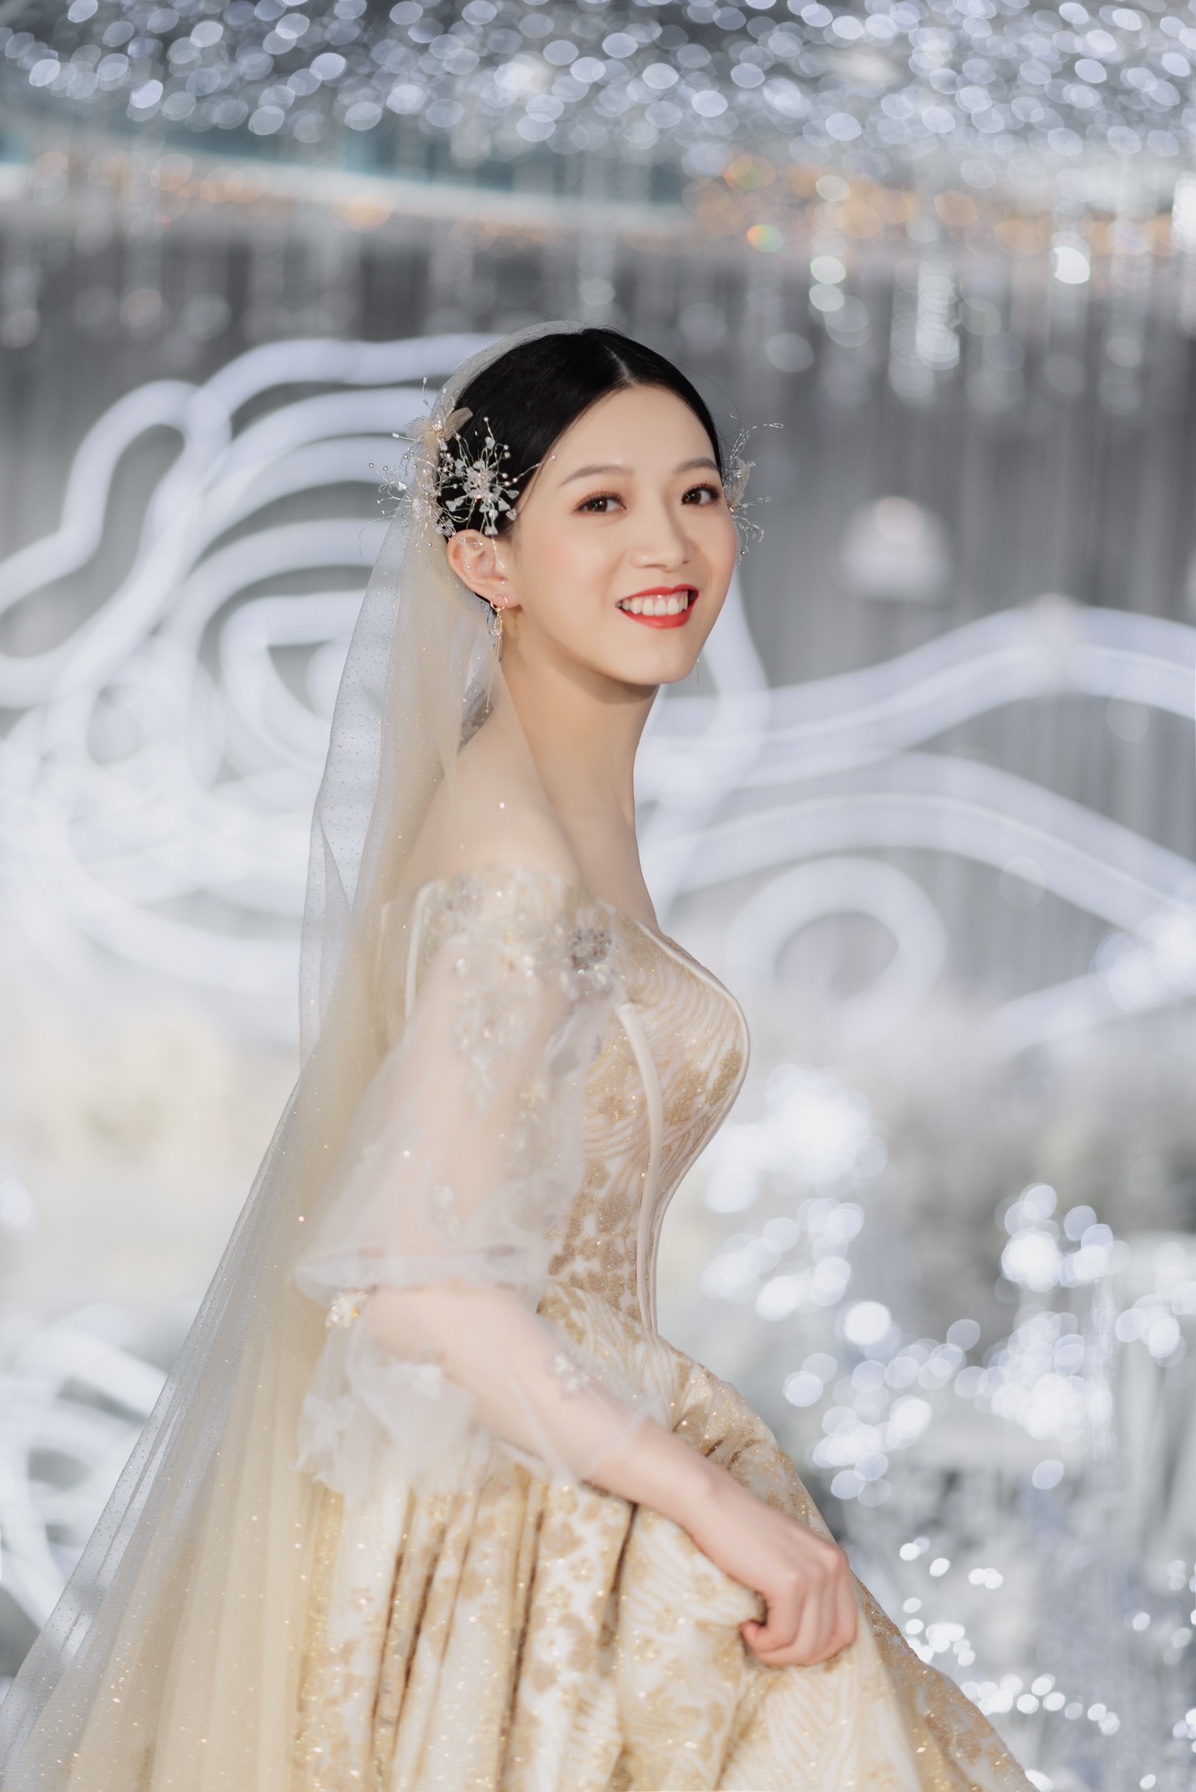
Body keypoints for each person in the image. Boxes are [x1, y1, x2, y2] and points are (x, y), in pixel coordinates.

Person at [0, 324, 1029, 1790]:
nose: (667, 542)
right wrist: (714, 1508)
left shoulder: (547, 810)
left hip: (560, 1467)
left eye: (697, 493)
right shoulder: (514, 870)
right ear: (487, 560)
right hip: (510, 1518)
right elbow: (415, 1284)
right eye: (600, 502)